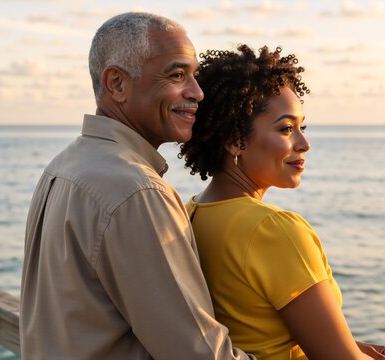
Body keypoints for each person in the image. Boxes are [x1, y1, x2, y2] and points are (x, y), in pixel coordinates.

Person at [20, 12, 254, 360]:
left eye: (195, 76)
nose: (197, 92)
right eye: (177, 75)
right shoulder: (137, 191)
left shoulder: (63, 167)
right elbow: (198, 354)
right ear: (116, 84)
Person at [180, 45, 385, 360]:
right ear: (233, 140)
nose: (304, 143)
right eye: (286, 129)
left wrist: (347, 345)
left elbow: (253, 326)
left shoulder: (191, 214)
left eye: (302, 127)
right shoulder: (273, 230)